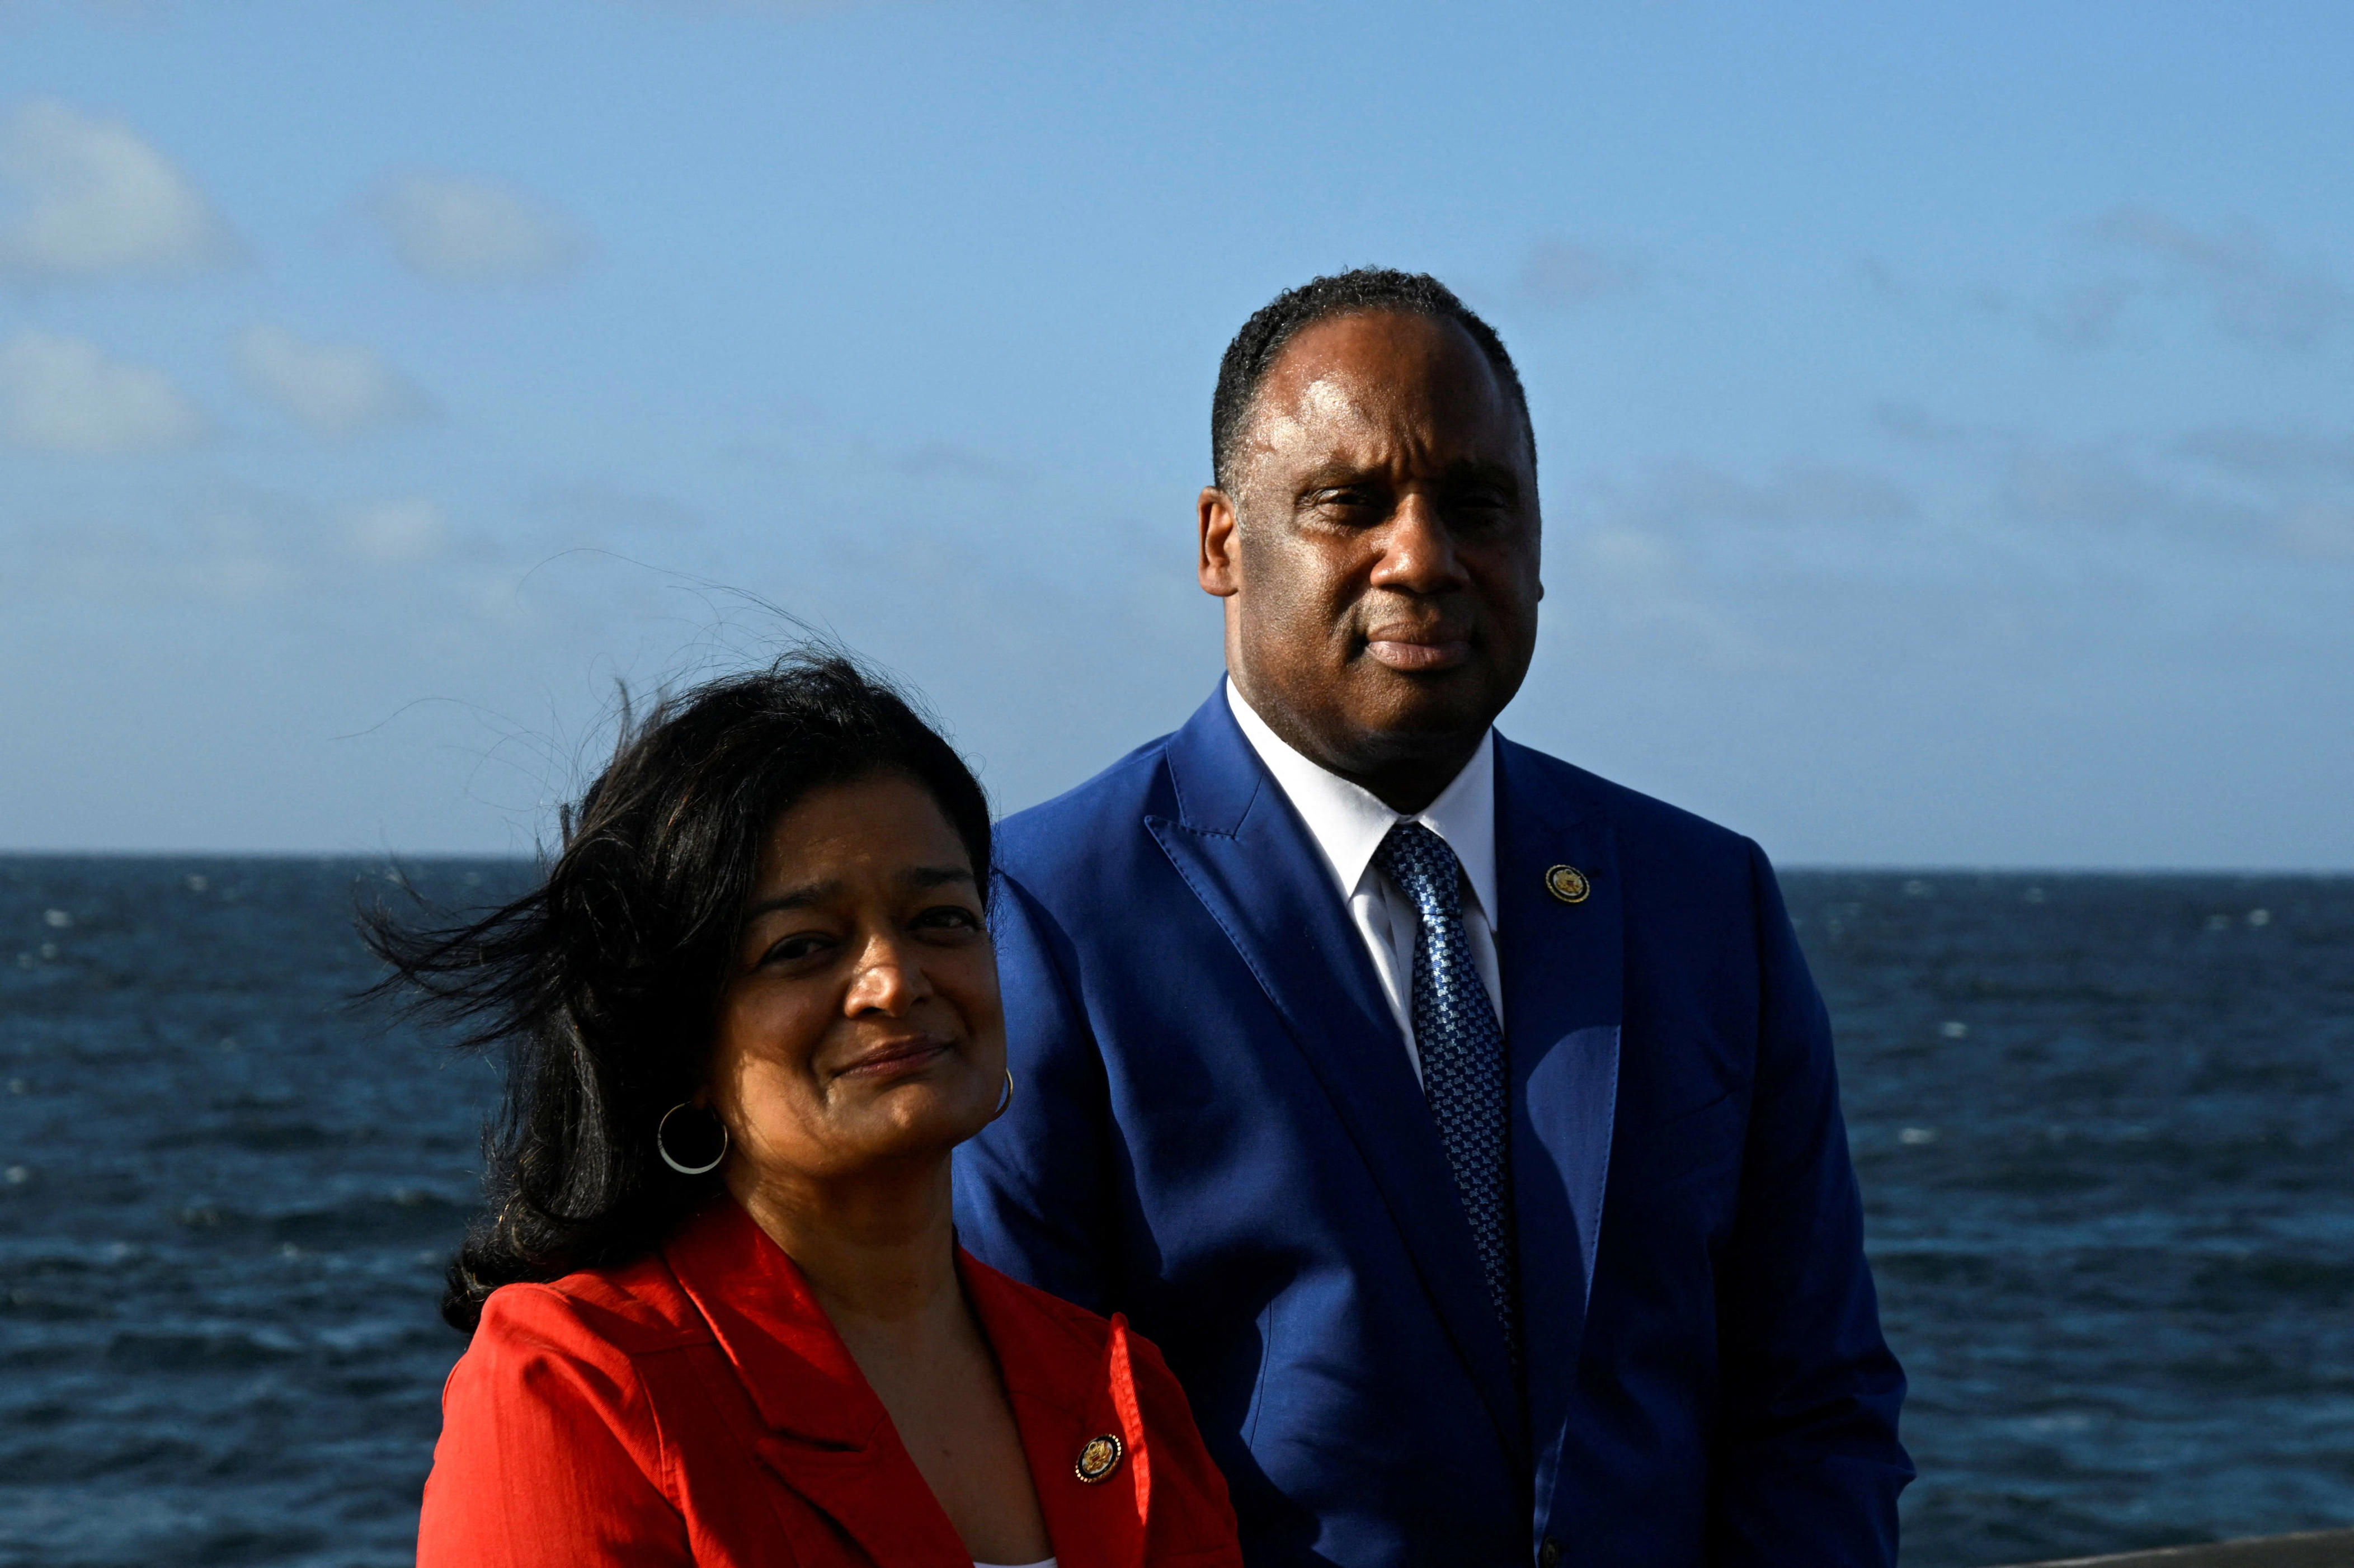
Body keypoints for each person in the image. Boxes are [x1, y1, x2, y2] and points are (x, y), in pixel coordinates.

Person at [954, 271, 1912, 1566]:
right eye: (1348, 503)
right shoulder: (1042, 916)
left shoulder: (1704, 901)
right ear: (1222, 542)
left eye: (1476, 504)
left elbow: (1812, 1401)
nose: (1422, 555)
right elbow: (1025, 1444)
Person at [374, 654, 1244, 1568]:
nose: (894, 982)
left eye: (941, 919)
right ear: (676, 1037)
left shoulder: (1118, 1389)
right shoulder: (584, 1384)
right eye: (803, 947)